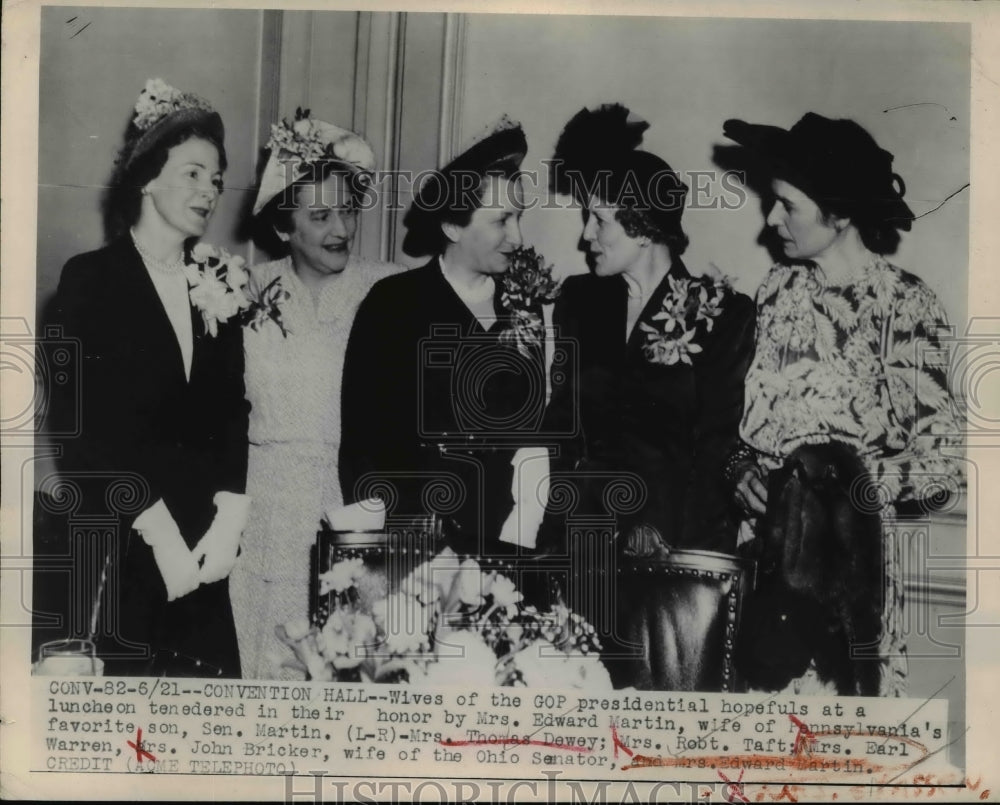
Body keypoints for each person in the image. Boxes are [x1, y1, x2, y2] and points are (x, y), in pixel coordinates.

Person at [721, 112, 965, 696]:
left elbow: (944, 465)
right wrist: (742, 472)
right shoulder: (775, 292)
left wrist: (836, 484)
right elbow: (747, 432)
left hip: (853, 578)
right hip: (766, 569)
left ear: (842, 212)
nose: (771, 218)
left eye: (788, 205)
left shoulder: (903, 304)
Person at [546, 104, 757, 689]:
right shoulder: (579, 301)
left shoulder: (722, 313)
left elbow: (717, 441)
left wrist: (661, 533)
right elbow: (565, 431)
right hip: (584, 547)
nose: (585, 236)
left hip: (679, 558)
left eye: (599, 220)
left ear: (641, 226)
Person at [49, 79, 250, 677]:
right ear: (146, 179)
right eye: (192, 173)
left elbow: (231, 413)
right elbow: (81, 430)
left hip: (203, 555)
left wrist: (230, 518)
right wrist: (157, 529)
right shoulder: (91, 278)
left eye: (216, 179)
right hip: (124, 546)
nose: (209, 191)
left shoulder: (218, 282)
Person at [229, 111, 402, 680]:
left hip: (352, 507)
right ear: (284, 228)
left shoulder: (388, 287)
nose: (341, 228)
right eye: (320, 215)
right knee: (268, 673)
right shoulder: (243, 290)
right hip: (267, 517)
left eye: (347, 211)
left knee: (352, 675)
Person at [339, 118, 549, 559]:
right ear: (453, 227)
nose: (518, 238)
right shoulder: (393, 303)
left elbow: (529, 433)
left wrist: (520, 533)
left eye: (519, 218)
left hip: (503, 540)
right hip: (413, 541)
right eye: (501, 221)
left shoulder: (523, 306)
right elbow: (361, 443)